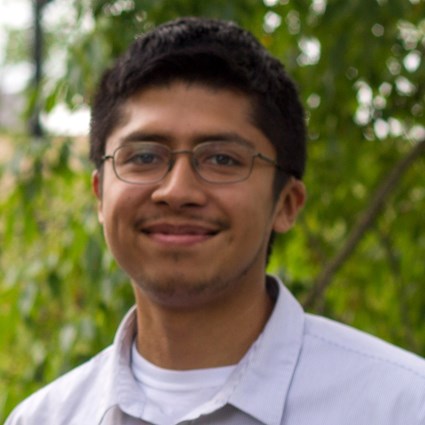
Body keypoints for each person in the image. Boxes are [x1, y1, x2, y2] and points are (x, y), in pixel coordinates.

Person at [6, 17, 425, 425]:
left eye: (222, 159)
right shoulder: (46, 417)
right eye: (145, 157)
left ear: (287, 203)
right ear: (100, 195)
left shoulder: (401, 406)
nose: (177, 191)